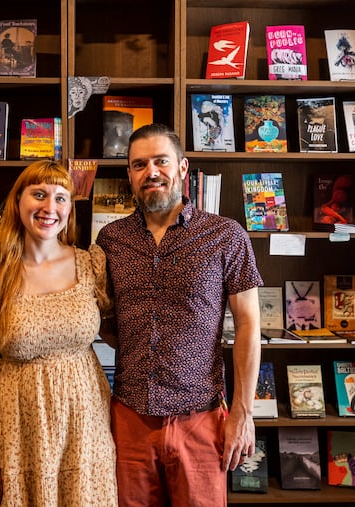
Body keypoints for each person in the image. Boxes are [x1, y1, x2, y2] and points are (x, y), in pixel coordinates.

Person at [96, 123, 263, 506]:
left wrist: (243, 412)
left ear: (183, 168)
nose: (151, 172)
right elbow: (104, 320)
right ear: (129, 175)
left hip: (200, 419)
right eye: (139, 165)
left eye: (160, 161)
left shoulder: (226, 235)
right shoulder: (111, 240)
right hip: (130, 417)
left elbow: (249, 326)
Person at [0, 160, 117, 506]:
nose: (49, 207)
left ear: (70, 209)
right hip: (20, 427)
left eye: (60, 198)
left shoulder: (90, 265)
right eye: (38, 195)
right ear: (18, 202)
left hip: (86, 424)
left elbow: (122, 330)